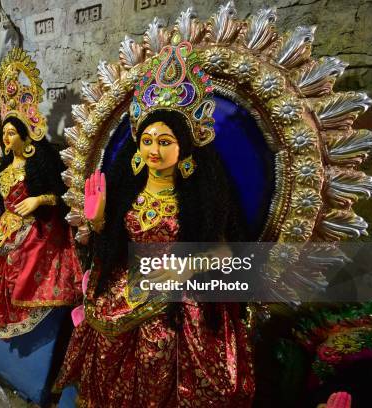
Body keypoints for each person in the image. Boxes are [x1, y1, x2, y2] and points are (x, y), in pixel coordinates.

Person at [54, 42, 255, 406]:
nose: (153, 151)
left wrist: (187, 267)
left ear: (185, 147)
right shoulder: (125, 186)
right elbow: (110, 248)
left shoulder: (202, 195)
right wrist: (97, 222)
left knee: (161, 342)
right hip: (126, 283)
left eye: (165, 141)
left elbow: (229, 251)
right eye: (146, 141)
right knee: (103, 335)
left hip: (182, 295)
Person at [0, 47, 83, 339]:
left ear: (25, 136)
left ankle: (27, 315)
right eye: (4, 134)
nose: (6, 138)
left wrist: (38, 198)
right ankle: (3, 316)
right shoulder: (4, 165)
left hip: (39, 224)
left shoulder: (37, 162)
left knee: (16, 253)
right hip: (10, 222)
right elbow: (2, 204)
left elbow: (58, 195)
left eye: (11, 133)